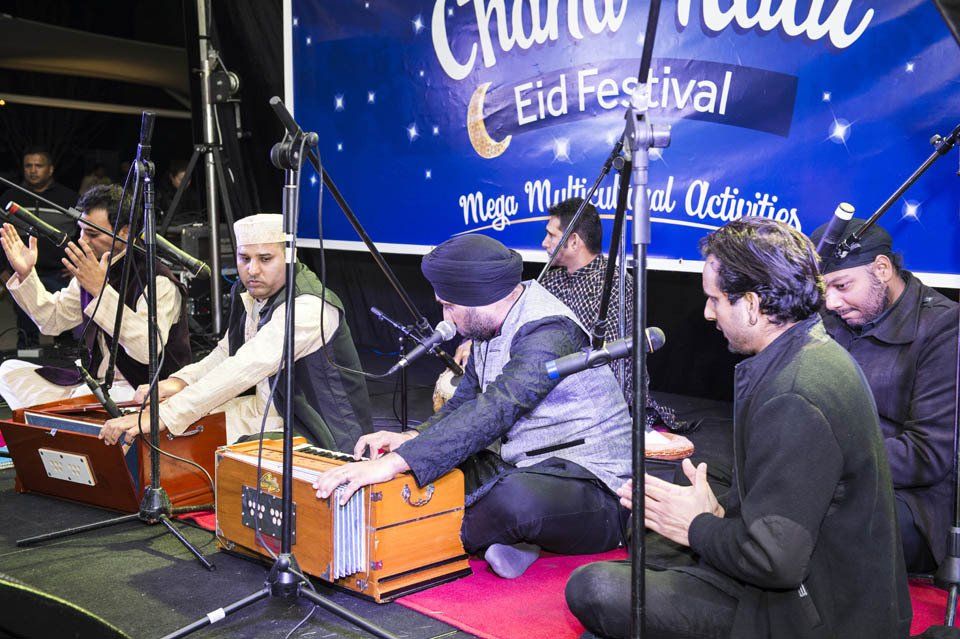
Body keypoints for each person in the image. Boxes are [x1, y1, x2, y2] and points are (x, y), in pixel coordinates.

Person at [565, 218, 911, 638]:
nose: (708, 312)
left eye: (714, 299)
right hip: (811, 586)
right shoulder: (810, 351)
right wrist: (715, 514)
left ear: (751, 303)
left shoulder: (795, 393)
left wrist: (698, 525)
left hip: (816, 615)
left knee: (595, 587)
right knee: (650, 535)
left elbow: (776, 561)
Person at [313, 234, 632, 580]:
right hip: (521, 465)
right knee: (434, 469)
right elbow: (466, 401)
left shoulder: (549, 331)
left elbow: (497, 408)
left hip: (595, 485)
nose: (445, 317)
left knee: (514, 500)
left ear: (481, 297)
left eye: (449, 306)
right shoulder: (489, 327)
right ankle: (510, 539)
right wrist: (410, 439)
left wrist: (394, 462)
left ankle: (415, 541)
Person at [100, 213, 373, 449]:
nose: (252, 270)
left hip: (323, 433)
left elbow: (245, 366)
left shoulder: (308, 307)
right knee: (185, 431)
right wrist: (181, 382)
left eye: (265, 259)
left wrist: (166, 414)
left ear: (290, 257)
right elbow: (227, 353)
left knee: (184, 434)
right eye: (244, 258)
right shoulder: (250, 292)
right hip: (269, 411)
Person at [811, 218, 958, 574]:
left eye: (842, 286)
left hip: (912, 499)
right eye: (824, 290)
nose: (831, 302)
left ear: (881, 269)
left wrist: (825, 458)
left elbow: (926, 455)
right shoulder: (832, 318)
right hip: (831, 472)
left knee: (810, 529)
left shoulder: (944, 328)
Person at [0, 184, 190, 410]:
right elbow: (52, 320)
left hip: (141, 390)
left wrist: (101, 290)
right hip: (96, 385)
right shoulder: (92, 269)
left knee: (78, 398)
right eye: (80, 230)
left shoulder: (157, 279)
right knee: (9, 371)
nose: (83, 240)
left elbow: (146, 349)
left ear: (124, 231)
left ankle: (66, 417)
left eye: (92, 234)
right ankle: (68, 415)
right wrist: (26, 274)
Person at [0, 146, 79, 347]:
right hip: (22, 274)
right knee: (26, 330)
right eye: (28, 165)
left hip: (59, 274)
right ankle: (28, 361)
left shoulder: (69, 198)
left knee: (64, 329)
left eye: (38, 165)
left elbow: (82, 236)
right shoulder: (10, 197)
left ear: (50, 169)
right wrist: (2, 270)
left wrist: (76, 266)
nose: (33, 170)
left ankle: (66, 362)